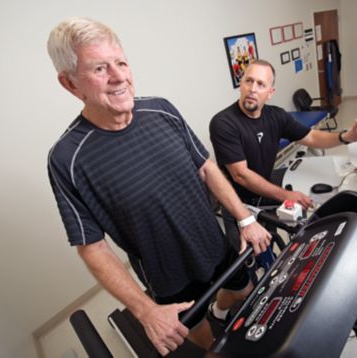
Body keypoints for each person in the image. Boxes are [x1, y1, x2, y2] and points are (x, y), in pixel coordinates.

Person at [46, 17, 271, 356]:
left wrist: (244, 218)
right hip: (167, 275)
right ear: (70, 84)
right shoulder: (67, 159)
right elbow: (92, 246)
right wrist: (144, 309)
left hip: (214, 245)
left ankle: (222, 308)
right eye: (100, 69)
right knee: (205, 340)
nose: (119, 76)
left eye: (121, 62)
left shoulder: (162, 110)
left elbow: (206, 166)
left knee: (244, 293)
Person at [209, 59, 357, 245]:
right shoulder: (223, 123)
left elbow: (312, 137)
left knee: (270, 240)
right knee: (244, 258)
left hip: (264, 195)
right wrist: (286, 195)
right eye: (249, 81)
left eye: (260, 84)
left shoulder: (276, 116)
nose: (253, 89)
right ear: (241, 85)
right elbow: (241, 175)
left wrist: (346, 136)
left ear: (269, 93)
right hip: (237, 204)